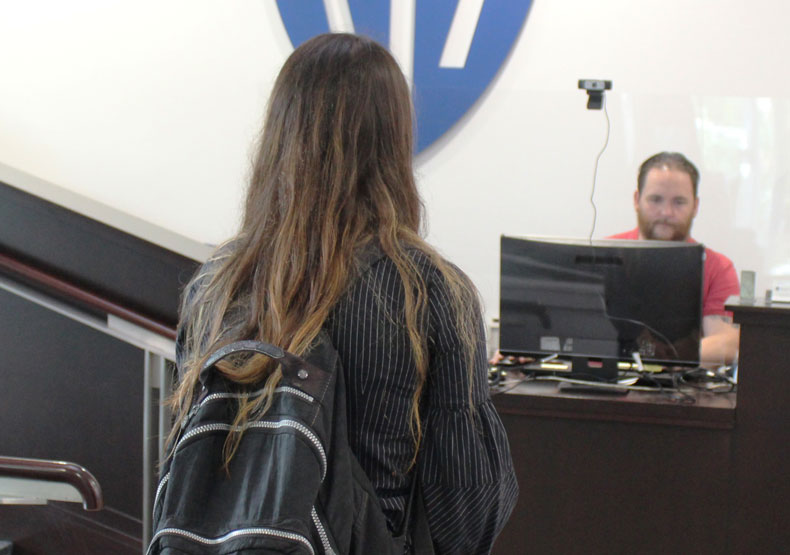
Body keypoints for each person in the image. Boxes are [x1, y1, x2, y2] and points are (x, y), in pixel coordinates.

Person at [170, 33, 517, 553]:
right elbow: (465, 511)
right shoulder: (430, 292)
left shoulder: (215, 283)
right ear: (393, 139)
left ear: (280, 133)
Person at [609, 151, 740, 365]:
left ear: (695, 206)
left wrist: (664, 356)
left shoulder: (717, 267)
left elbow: (726, 344)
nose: (666, 212)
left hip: (686, 393)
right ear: (636, 200)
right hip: (606, 388)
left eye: (679, 202)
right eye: (655, 199)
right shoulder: (606, 255)